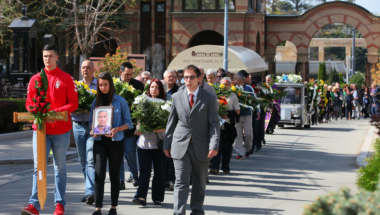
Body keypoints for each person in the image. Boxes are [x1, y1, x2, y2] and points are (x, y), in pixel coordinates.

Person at [22, 44, 79, 215]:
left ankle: (59, 204)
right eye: (45, 56)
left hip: (60, 131)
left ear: (57, 57)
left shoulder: (66, 78)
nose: (47, 59)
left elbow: (74, 103)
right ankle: (34, 205)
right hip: (40, 130)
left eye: (51, 56)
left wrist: (57, 112)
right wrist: (34, 110)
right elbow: (29, 103)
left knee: (60, 168)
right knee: (38, 168)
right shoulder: (35, 79)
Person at [163, 64, 220, 215]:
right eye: (185, 77)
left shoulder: (209, 98)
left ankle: (196, 210)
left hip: (202, 145)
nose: (188, 80)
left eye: (191, 77)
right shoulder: (176, 96)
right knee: (181, 181)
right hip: (180, 144)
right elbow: (171, 122)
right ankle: (179, 212)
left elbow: (214, 123)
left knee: (199, 182)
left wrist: (214, 145)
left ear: (199, 78)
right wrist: (166, 144)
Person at [89, 72, 133, 215]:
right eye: (100, 85)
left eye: (105, 84)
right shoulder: (95, 103)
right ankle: (98, 208)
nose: (103, 87)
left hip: (116, 142)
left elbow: (129, 123)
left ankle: (113, 207)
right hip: (99, 142)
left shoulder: (121, 101)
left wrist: (117, 129)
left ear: (111, 85)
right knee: (99, 175)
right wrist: (92, 130)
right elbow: (91, 123)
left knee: (114, 176)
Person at [133, 79, 168, 206]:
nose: (154, 89)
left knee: (159, 171)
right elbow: (139, 121)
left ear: (161, 90)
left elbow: (169, 123)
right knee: (144, 170)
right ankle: (141, 196)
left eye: (157, 87)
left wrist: (160, 128)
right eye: (152, 87)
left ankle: (157, 197)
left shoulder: (166, 103)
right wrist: (139, 128)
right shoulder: (142, 101)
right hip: (144, 142)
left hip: (160, 141)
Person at [71, 60, 97, 204]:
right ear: (81, 70)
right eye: (83, 67)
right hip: (78, 126)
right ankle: (89, 190)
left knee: (91, 160)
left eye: (88, 67)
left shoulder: (99, 85)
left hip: (93, 127)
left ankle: (90, 192)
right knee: (83, 162)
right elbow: (68, 103)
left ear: (94, 70)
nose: (86, 70)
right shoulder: (76, 86)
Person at [119, 62, 144, 189]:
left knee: (130, 151)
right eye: (126, 74)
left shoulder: (138, 85)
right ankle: (120, 181)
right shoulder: (113, 85)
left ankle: (135, 175)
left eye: (131, 74)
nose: (129, 77)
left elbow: (142, 105)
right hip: (116, 125)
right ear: (120, 72)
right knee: (117, 153)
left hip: (131, 125)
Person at [209, 77, 240, 174]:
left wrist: (228, 114)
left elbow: (238, 111)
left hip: (228, 125)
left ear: (230, 85)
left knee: (227, 146)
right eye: (223, 84)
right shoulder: (215, 95)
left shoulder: (233, 96)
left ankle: (225, 166)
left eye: (226, 84)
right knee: (217, 145)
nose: (224, 86)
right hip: (217, 124)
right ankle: (215, 167)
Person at [234, 72, 259, 159]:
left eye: (235, 78)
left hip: (247, 114)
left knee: (248, 134)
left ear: (240, 79)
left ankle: (248, 149)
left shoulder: (249, 88)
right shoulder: (234, 89)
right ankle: (240, 152)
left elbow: (255, 100)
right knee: (238, 134)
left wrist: (258, 111)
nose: (234, 79)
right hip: (237, 115)